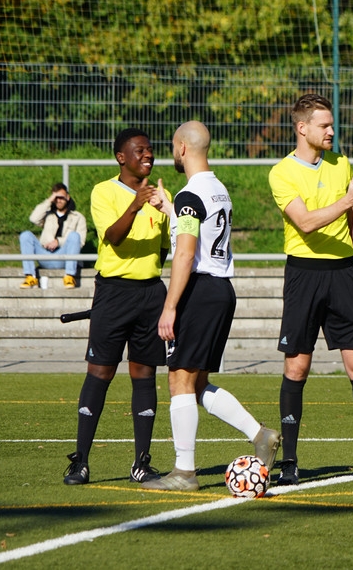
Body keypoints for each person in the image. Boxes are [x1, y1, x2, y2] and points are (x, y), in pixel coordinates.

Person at [141, 122, 281, 491]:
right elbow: (199, 231)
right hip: (221, 290)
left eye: (173, 147)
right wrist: (170, 209)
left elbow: (186, 253)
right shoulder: (217, 189)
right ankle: (260, 435)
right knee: (197, 382)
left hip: (199, 291)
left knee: (179, 380)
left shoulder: (190, 194)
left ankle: (184, 472)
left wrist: (170, 306)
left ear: (182, 148)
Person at [268, 93, 353, 486]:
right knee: (297, 367)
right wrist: (347, 200)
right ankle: (289, 463)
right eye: (324, 125)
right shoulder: (281, 173)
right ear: (302, 128)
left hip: (343, 275)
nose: (331, 131)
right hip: (304, 276)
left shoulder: (341, 163)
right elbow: (306, 223)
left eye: (331, 124)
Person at [63, 128, 171, 486]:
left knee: (144, 375)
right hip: (113, 293)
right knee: (100, 373)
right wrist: (136, 205)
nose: (148, 155)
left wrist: (158, 206)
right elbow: (113, 236)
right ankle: (80, 462)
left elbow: (165, 247)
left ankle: (142, 462)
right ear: (121, 157)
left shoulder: (163, 196)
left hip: (151, 294)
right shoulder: (103, 191)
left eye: (150, 149)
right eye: (140, 150)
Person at [19, 183, 87, 289]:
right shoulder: (48, 215)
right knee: (26, 235)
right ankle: (30, 276)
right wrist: (49, 200)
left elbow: (80, 242)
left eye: (61, 197)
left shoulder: (78, 217)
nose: (59, 200)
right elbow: (33, 218)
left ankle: (69, 276)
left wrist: (58, 242)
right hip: (45, 254)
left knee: (74, 236)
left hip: (64, 257)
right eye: (56, 198)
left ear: (68, 197)